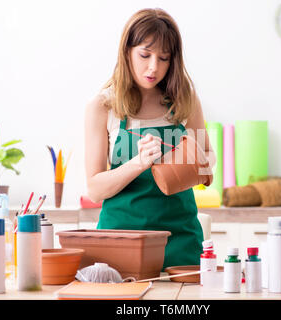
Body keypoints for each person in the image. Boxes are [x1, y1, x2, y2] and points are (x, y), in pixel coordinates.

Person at [84, 8, 216, 269]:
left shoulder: (185, 101)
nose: (153, 67)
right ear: (127, 52)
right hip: (121, 243)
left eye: (164, 58)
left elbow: (207, 161)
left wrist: (184, 160)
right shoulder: (103, 107)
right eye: (145, 55)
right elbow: (95, 189)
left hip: (181, 241)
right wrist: (139, 163)